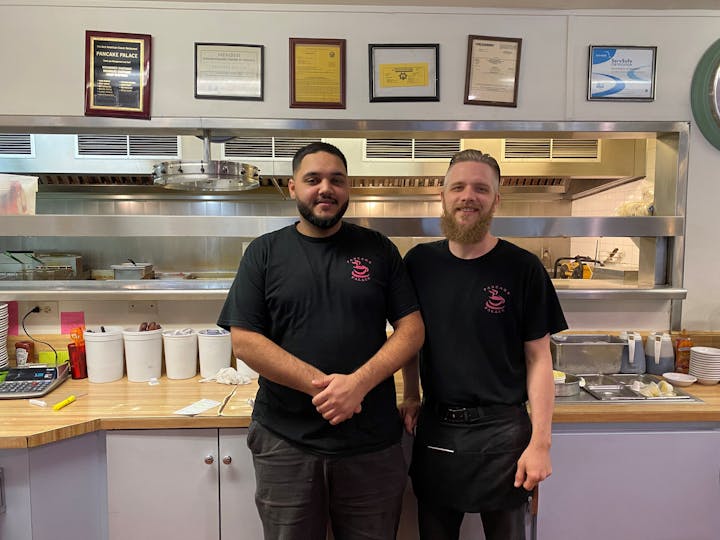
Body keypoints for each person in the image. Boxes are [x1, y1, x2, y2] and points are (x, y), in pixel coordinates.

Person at [217, 141, 424, 540]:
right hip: (285, 443)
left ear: (349, 189)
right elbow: (245, 340)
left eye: (336, 180)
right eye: (313, 179)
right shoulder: (264, 253)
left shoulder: (378, 249)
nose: (325, 188)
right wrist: (330, 389)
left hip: (372, 445)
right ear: (293, 188)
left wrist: (357, 385)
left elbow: (412, 329)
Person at [400, 149, 567, 540]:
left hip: (504, 432)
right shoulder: (419, 263)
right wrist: (410, 393)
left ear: (496, 199)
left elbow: (539, 358)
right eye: (457, 187)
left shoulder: (523, 268)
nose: (467, 196)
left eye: (480, 188)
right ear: (442, 196)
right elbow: (409, 337)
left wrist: (541, 443)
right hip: (437, 428)